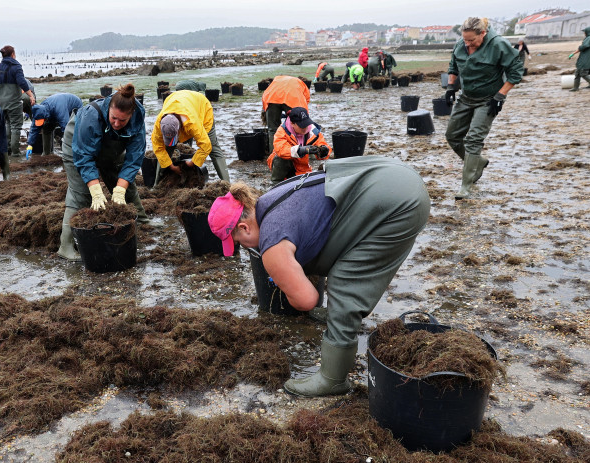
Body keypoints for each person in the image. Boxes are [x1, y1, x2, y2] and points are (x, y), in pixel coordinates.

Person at [208, 156, 430, 397]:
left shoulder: (272, 245)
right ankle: (333, 316)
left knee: (346, 281)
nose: (245, 248)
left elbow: (307, 300)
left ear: (243, 228)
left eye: (239, 243)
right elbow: (317, 230)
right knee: (341, 255)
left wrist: (287, 287)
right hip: (389, 175)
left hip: (398, 204)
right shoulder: (269, 200)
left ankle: (333, 379)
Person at [57, 83, 148, 261]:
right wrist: (96, 190)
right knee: (81, 193)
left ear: (131, 115)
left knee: (123, 183)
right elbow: (84, 157)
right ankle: (65, 246)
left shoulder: (138, 117)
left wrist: (120, 188)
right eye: (113, 118)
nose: (116, 123)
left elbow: (134, 157)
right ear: (109, 110)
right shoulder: (91, 115)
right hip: (77, 144)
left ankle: (143, 219)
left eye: (122, 121)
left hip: (110, 146)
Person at [445, 17, 522, 199]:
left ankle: (466, 184)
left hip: (487, 100)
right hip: (466, 97)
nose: (468, 44)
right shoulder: (461, 44)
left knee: (473, 140)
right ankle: (477, 162)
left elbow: (516, 71)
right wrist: (450, 87)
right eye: (465, 40)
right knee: (452, 136)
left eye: (472, 40)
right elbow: (453, 66)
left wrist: (500, 95)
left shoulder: (498, 45)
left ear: (483, 33)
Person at [151, 89, 230, 184]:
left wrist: (193, 162)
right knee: (167, 148)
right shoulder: (159, 125)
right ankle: (157, 185)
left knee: (213, 148)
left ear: (180, 128)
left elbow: (206, 145)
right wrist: (171, 166)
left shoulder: (192, 123)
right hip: (177, 100)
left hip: (201, 107)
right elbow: (158, 148)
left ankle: (227, 185)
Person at [0, 45, 35, 158]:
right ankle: (15, 152)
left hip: (0, 103)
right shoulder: (16, 67)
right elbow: (22, 83)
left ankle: (7, 148)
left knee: (6, 124)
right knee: (16, 127)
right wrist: (31, 96)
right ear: (13, 54)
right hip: (14, 102)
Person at [267, 107, 331, 182]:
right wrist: (301, 150)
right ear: (292, 123)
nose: (305, 128)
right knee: (280, 159)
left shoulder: (313, 131)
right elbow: (281, 150)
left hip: (302, 168)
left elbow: (323, 144)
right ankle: (276, 183)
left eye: (306, 124)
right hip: (285, 167)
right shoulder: (282, 131)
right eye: (302, 126)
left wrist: (323, 151)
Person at [261, 75, 311, 153]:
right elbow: (305, 103)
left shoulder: (277, 79)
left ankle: (274, 153)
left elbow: (265, 96)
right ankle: (299, 151)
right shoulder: (300, 84)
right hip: (291, 97)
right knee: (299, 125)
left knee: (272, 129)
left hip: (272, 98)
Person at [26, 93, 83, 158]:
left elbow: (66, 128)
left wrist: (64, 142)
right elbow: (34, 129)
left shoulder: (59, 111)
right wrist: (30, 145)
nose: (41, 122)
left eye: (42, 120)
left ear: (45, 116)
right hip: (54, 109)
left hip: (75, 106)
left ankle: (71, 154)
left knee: (72, 130)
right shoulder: (38, 111)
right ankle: (46, 154)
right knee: (46, 128)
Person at [569, 27, 590, 92]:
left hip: (585, 59)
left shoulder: (589, 38)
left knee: (583, 73)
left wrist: (579, 48)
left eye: (584, 32)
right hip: (584, 58)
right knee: (577, 73)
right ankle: (575, 87)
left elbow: (584, 46)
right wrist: (573, 53)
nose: (584, 33)